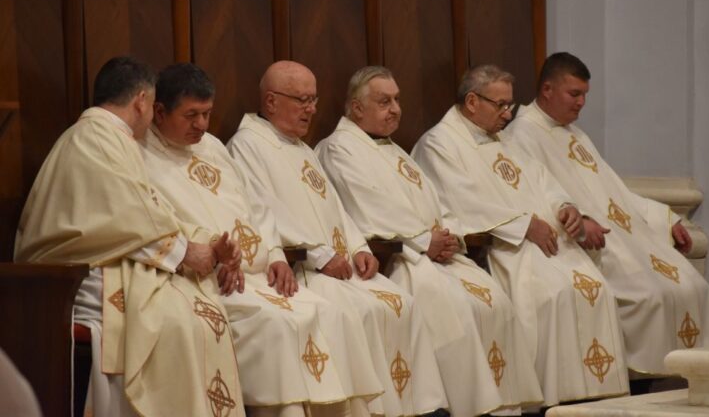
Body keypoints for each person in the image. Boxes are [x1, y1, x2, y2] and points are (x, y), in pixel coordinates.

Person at [140, 63, 383, 417]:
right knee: (278, 324)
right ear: (160, 112)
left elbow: (256, 207)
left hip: (255, 274)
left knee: (326, 313)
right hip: (206, 280)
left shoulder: (212, 147)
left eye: (207, 114)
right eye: (191, 115)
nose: (202, 125)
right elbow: (158, 224)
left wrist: (275, 256)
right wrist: (216, 257)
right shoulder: (142, 155)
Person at [14, 56, 245, 416]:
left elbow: (148, 211)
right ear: (141, 101)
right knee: (179, 320)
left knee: (192, 311)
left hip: (95, 263)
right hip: (72, 275)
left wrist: (207, 243)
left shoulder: (107, 137)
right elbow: (129, 218)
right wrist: (189, 253)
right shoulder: (97, 136)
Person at [315, 66, 543, 416]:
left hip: (435, 256)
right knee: (458, 309)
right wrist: (424, 240)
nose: (396, 109)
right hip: (400, 260)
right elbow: (367, 208)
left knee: (495, 302)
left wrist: (449, 235)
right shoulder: (339, 149)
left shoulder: (392, 149)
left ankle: (500, 408)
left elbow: (437, 201)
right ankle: (461, 408)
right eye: (384, 102)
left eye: (397, 100)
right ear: (357, 108)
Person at [227, 61, 448, 417]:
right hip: (303, 271)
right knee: (354, 313)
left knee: (401, 303)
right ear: (270, 101)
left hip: (340, 267)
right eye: (302, 100)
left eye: (313, 99)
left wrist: (359, 247)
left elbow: (337, 209)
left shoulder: (301, 147)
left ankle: (414, 409)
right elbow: (263, 213)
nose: (311, 109)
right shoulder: (248, 146)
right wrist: (319, 255)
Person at [504, 52, 709, 374]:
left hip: (624, 239)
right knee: (650, 296)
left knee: (692, 286)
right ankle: (650, 380)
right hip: (587, 244)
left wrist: (666, 220)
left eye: (585, 94)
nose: (582, 103)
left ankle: (707, 377)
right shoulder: (521, 136)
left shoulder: (575, 135)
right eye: (574, 94)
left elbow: (616, 193)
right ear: (547, 90)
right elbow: (532, 198)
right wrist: (580, 223)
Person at [412, 65, 629, 406]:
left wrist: (566, 207)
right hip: (504, 247)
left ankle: (594, 402)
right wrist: (524, 225)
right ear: (472, 102)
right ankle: (550, 400)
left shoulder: (504, 139)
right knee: (553, 293)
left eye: (510, 105)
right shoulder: (439, 144)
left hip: (546, 241)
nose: (508, 113)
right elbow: (460, 201)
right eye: (500, 105)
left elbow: (543, 181)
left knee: (598, 289)